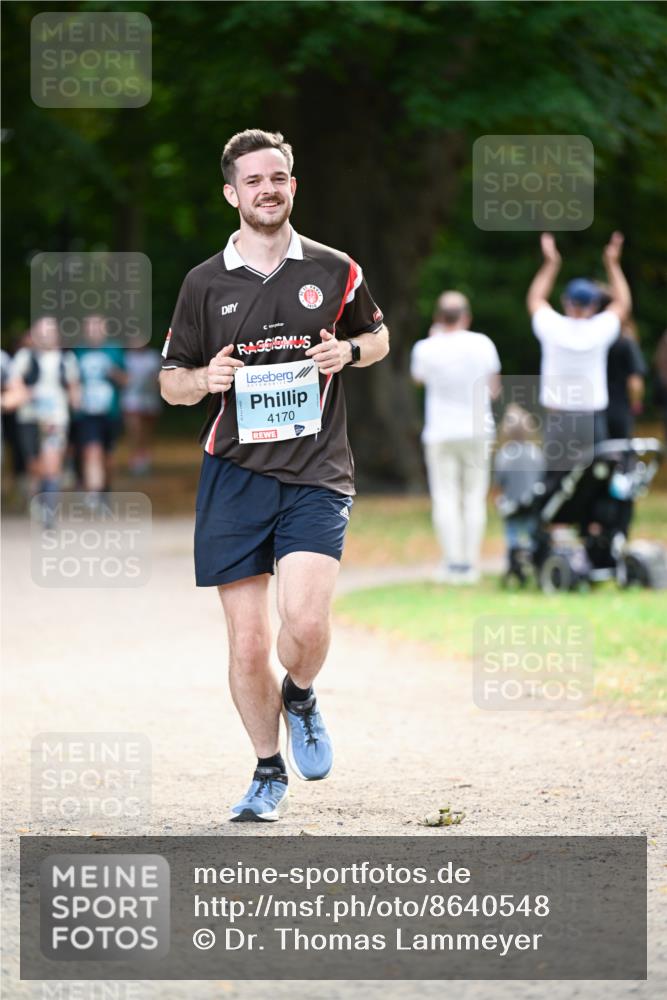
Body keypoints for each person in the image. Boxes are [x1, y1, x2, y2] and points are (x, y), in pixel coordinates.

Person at [159, 129, 389, 822]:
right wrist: (204, 378)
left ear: (293, 185)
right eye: (254, 181)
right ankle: (266, 771)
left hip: (317, 471)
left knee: (306, 624)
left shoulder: (334, 268)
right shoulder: (204, 283)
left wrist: (348, 353)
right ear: (232, 194)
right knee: (249, 643)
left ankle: (301, 694)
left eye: (278, 178)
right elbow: (170, 382)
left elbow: (377, 336)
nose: (268, 189)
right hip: (234, 474)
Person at [526, 232, 631, 488]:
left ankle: (555, 514)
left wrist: (551, 264)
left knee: (554, 482)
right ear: (594, 305)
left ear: (565, 302)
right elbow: (623, 303)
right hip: (591, 418)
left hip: (559, 418)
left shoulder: (552, 328)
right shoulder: (599, 329)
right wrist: (613, 263)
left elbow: (535, 299)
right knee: (596, 480)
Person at [410, 290, 500, 585]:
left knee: (445, 496)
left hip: (441, 431)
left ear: (438, 317)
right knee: (474, 497)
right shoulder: (482, 343)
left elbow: (418, 378)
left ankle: (453, 563)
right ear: (466, 317)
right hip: (477, 428)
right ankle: (470, 564)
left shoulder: (426, 348)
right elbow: (494, 389)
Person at [6, 317, 80, 519]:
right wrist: (23, 392)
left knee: (52, 462)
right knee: (34, 464)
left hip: (55, 418)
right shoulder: (25, 356)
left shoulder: (66, 359)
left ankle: (49, 510)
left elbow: (73, 386)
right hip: (29, 417)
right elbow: (14, 381)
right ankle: (38, 498)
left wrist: (75, 399)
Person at [72, 315, 127, 500]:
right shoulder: (77, 351)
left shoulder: (114, 350)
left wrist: (113, 373)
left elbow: (126, 380)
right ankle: (93, 493)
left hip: (110, 412)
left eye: (97, 327)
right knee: (91, 450)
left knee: (108, 457)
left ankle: (105, 490)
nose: (93, 331)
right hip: (86, 412)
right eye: (90, 327)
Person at [494, 404, 544, 584]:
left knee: (513, 536)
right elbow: (542, 478)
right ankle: (535, 563)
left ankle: (514, 564)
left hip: (512, 507)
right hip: (532, 504)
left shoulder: (504, 456)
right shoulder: (536, 454)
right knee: (532, 535)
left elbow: (499, 483)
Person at [122, 343, 162, 475]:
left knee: (147, 431)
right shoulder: (127, 357)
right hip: (132, 399)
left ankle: (146, 457)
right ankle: (134, 457)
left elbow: (160, 378)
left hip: (150, 399)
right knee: (134, 430)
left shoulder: (153, 357)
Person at [605, 318, 646, 439]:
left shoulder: (599, 344)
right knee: (621, 447)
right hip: (621, 409)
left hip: (596, 409)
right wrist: (636, 404)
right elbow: (635, 382)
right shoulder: (628, 345)